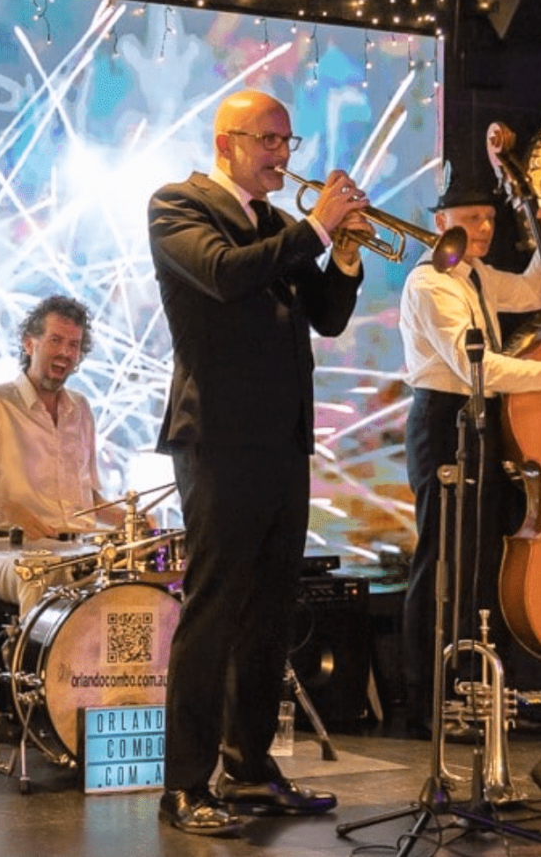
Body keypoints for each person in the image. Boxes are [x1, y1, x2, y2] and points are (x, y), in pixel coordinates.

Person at [147, 89, 367, 838]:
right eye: (269, 141)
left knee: (271, 609)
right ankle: (183, 785)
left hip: (282, 439)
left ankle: (247, 768)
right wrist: (316, 226)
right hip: (218, 436)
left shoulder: (277, 223)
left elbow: (328, 317)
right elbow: (225, 275)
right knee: (213, 611)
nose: (282, 154)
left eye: (287, 141)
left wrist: (345, 251)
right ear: (227, 142)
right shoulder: (179, 205)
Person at [396, 125, 541, 735]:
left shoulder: (479, 277)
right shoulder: (430, 282)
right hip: (443, 421)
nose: (485, 228)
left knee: (480, 560)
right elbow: (475, 367)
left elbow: (537, 290)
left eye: (490, 217)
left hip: (478, 424)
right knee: (442, 562)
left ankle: (470, 689)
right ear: (442, 223)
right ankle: (424, 699)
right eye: (471, 217)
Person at [0, 294, 110, 613]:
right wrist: (8, 510)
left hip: (78, 550)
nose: (65, 352)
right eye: (55, 340)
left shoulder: (81, 409)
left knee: (134, 572)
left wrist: (136, 521)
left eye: (73, 345)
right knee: (37, 569)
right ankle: (34, 662)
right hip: (10, 555)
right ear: (29, 344)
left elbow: (91, 499)